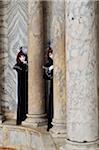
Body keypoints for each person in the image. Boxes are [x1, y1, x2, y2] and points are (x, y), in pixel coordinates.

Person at [13, 47, 28, 125]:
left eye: (24, 56)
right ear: (19, 57)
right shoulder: (18, 65)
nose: (23, 58)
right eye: (22, 57)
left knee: (26, 100)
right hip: (21, 85)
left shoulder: (25, 65)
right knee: (21, 99)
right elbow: (21, 74)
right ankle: (20, 118)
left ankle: (25, 116)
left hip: (26, 85)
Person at [43, 46, 53, 131]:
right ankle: (50, 124)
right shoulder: (48, 65)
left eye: (53, 53)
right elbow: (46, 77)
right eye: (50, 54)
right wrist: (50, 70)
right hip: (52, 87)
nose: (52, 55)